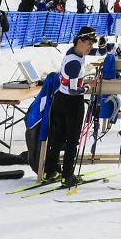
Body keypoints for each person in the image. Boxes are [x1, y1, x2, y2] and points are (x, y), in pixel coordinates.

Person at [43, 26, 98, 187]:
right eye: (88, 43)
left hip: (60, 99)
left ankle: (49, 171)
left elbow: (97, 52)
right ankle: (67, 176)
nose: (90, 47)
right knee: (72, 140)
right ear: (79, 41)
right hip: (72, 102)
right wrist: (87, 87)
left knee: (57, 138)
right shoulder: (74, 63)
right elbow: (74, 90)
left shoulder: (74, 52)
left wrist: (105, 47)